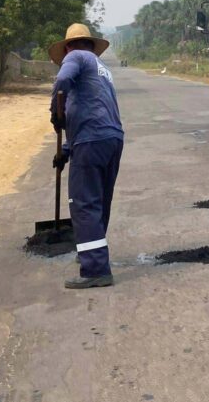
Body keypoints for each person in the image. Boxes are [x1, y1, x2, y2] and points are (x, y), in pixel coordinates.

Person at [49, 23, 125, 289]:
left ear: (69, 46)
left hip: (91, 140)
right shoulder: (101, 69)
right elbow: (92, 110)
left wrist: (54, 110)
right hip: (112, 138)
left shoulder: (75, 57)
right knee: (99, 201)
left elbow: (62, 82)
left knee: (84, 204)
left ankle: (95, 269)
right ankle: (92, 254)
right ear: (92, 44)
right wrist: (66, 151)